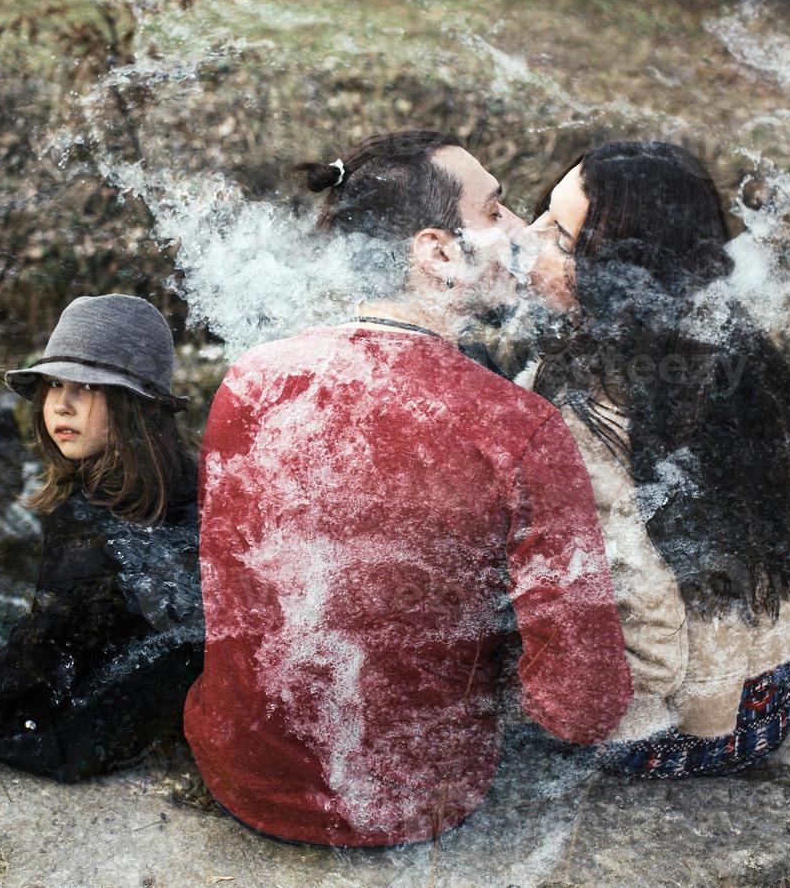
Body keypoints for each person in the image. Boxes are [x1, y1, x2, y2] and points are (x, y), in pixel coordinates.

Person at [182, 131, 633, 848]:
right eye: (496, 210)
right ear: (437, 252)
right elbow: (583, 706)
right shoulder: (518, 429)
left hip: (239, 772)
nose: (520, 231)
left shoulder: (251, 378)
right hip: (410, 801)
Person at [511, 141, 790, 778]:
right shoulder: (723, 341)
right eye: (544, 213)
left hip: (693, 723)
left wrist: (616, 724)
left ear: (624, 270)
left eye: (561, 238)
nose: (526, 236)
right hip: (774, 683)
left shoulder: (587, 410)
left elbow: (640, 602)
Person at [0, 294, 203, 783]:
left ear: (134, 405)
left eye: (86, 388)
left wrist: (6, 683)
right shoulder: (192, 476)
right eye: (53, 385)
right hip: (184, 692)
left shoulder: (85, 516)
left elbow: (49, 645)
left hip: (111, 726)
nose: (60, 406)